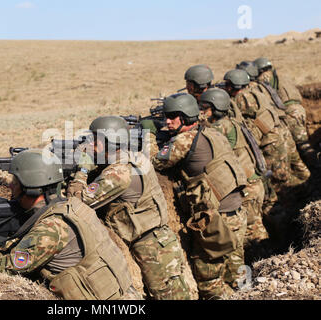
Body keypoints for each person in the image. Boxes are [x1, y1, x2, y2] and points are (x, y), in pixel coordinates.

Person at [0, 149, 138, 300]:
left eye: (15, 182)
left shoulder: (51, 230)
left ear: (31, 187)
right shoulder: (72, 205)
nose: (10, 187)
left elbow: (4, 267)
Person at [66, 116, 192, 300]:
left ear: (107, 143)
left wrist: (83, 170)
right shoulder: (136, 157)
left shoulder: (118, 173)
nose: (90, 144)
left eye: (94, 140)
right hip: (159, 241)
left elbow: (77, 202)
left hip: (152, 249)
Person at [146, 93, 247, 300]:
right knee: (237, 273)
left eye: (173, 117)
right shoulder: (212, 132)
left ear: (186, 117)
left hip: (217, 221)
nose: (167, 121)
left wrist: (151, 138)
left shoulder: (184, 140)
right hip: (237, 212)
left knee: (209, 283)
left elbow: (154, 163)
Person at [198, 88, 269, 245]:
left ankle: (264, 258)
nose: (201, 111)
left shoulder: (220, 127)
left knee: (252, 233)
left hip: (247, 189)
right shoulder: (233, 122)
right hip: (254, 184)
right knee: (255, 226)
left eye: (204, 108)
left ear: (215, 109)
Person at [236, 61, 311, 185]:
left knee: (281, 176)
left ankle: (302, 190)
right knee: (298, 163)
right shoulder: (263, 85)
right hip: (282, 127)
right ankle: (311, 183)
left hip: (273, 135)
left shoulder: (249, 91)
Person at [254, 57, 320, 170]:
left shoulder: (265, 77)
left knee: (302, 144)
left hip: (291, 112)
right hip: (299, 109)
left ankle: (315, 168)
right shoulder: (282, 76)